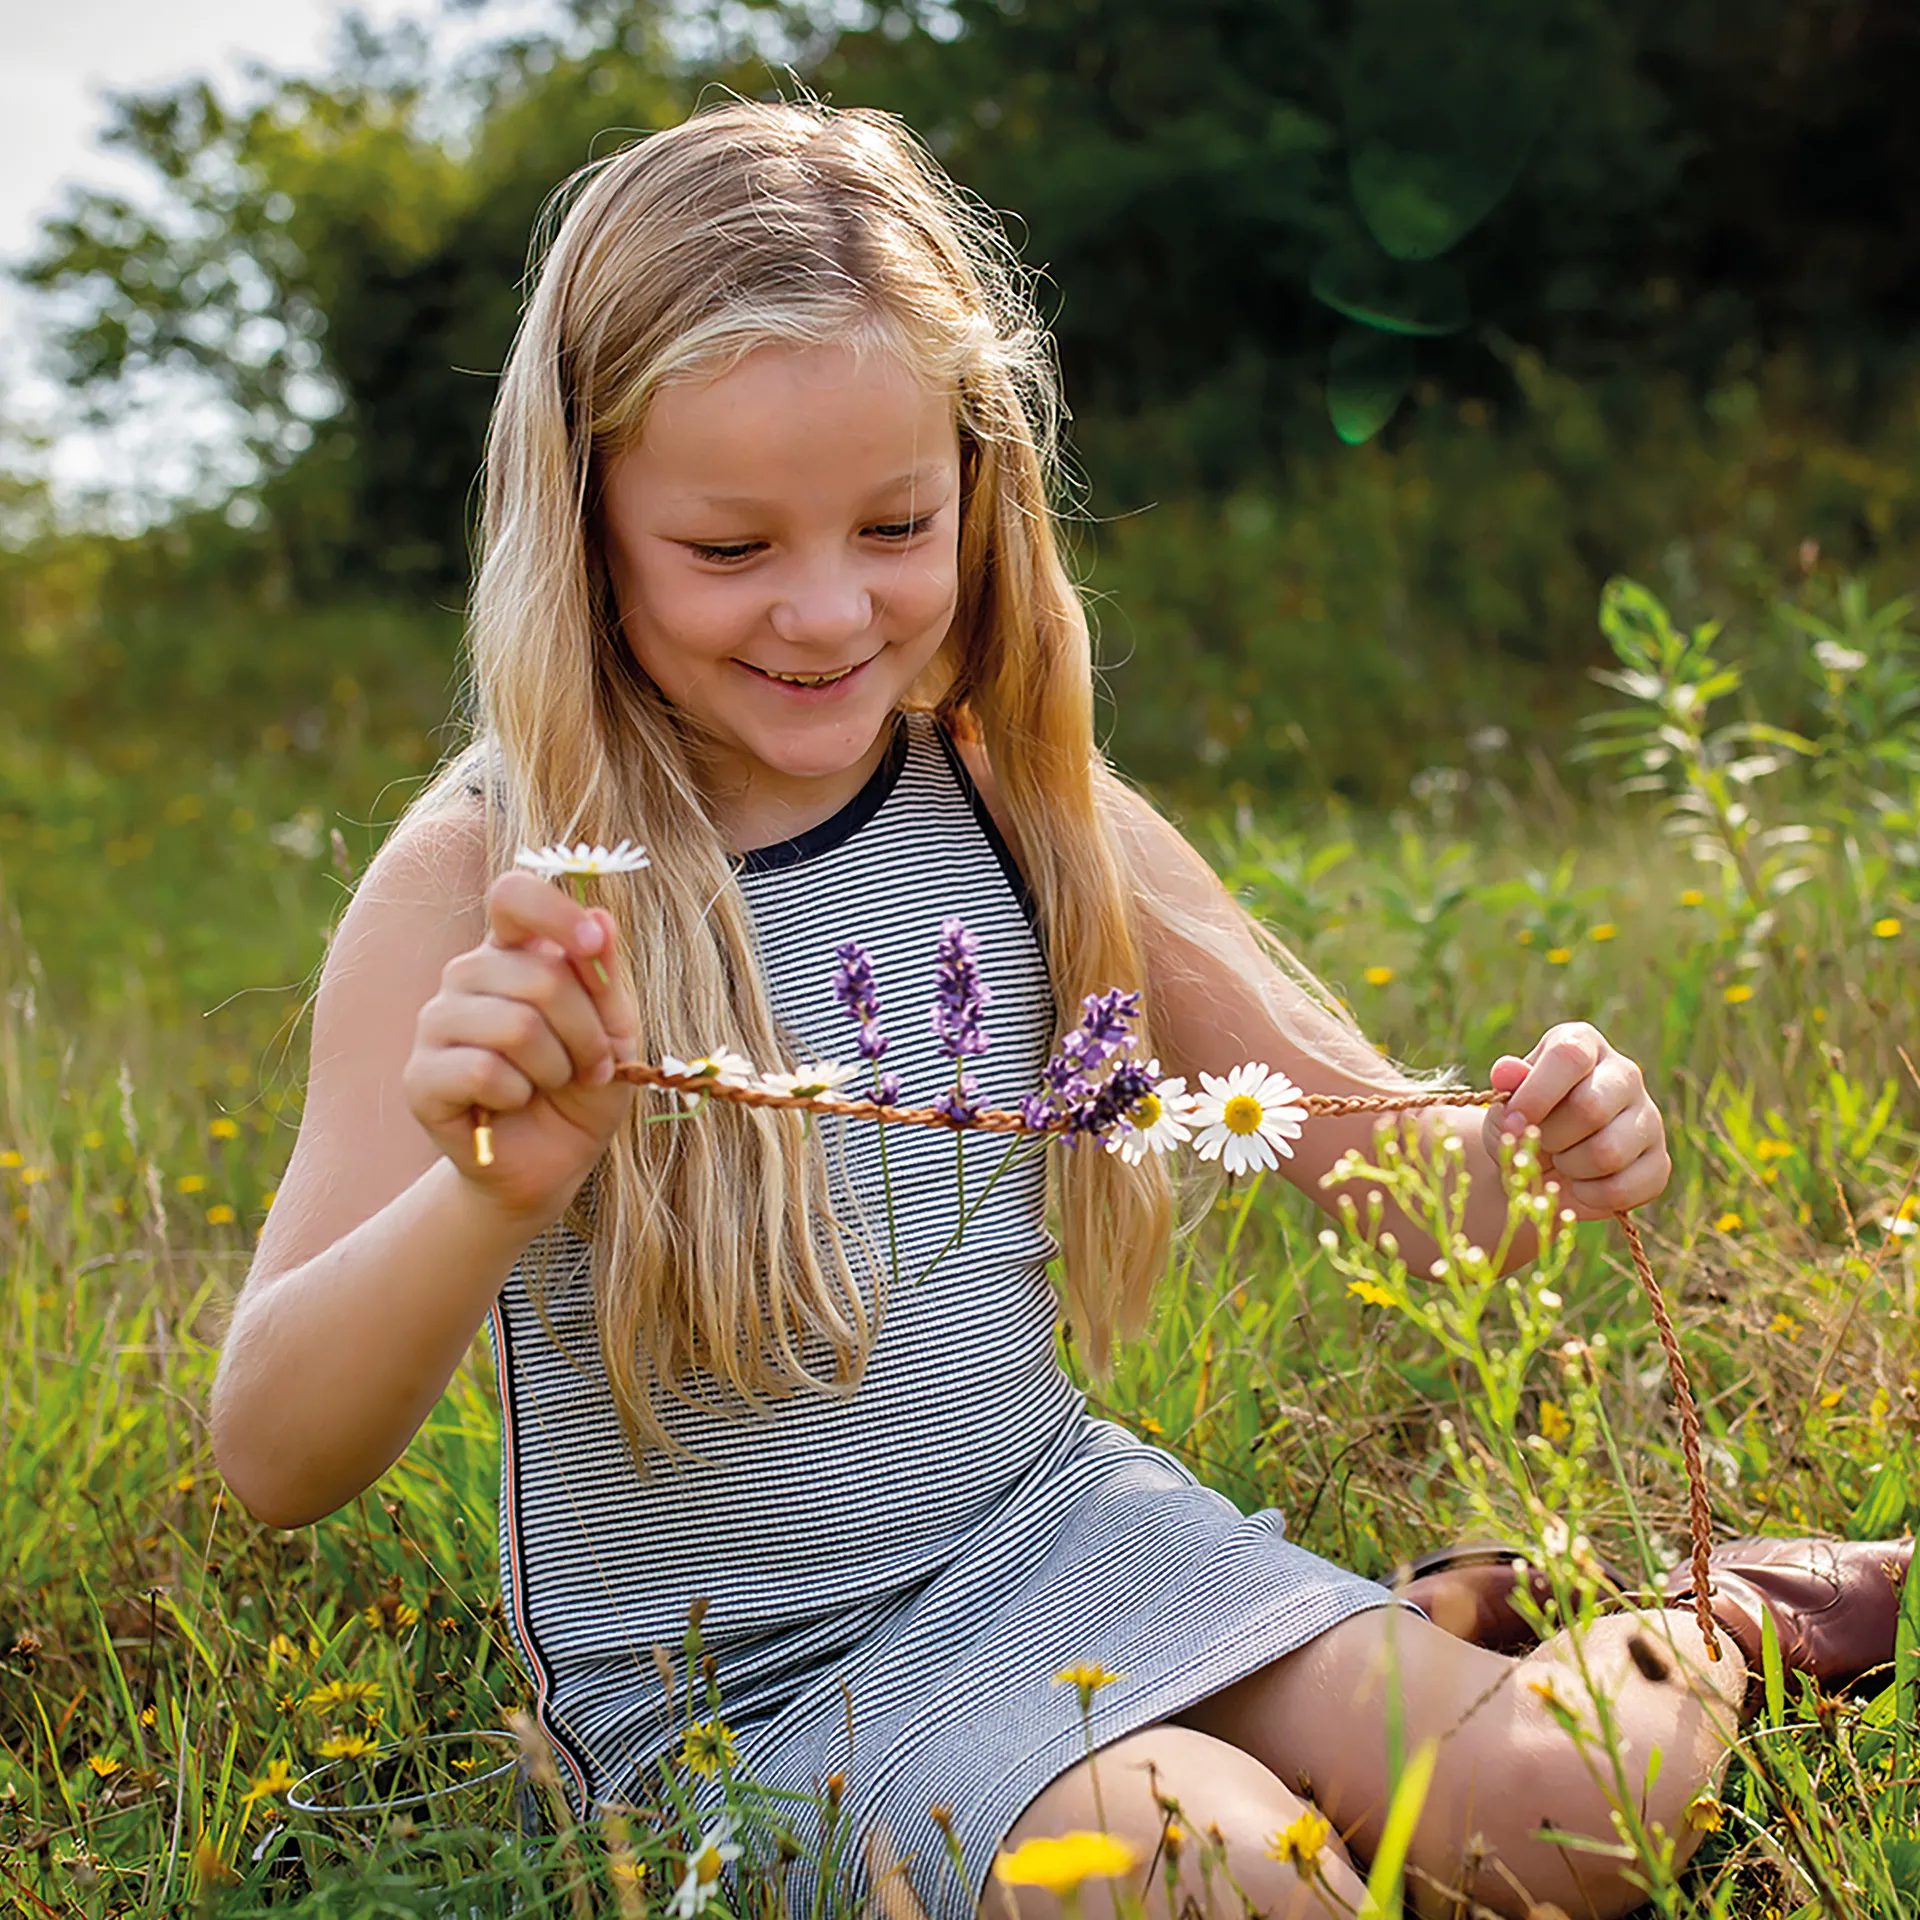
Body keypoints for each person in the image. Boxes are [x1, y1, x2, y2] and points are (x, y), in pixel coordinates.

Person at [208, 100, 1910, 1920]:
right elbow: (276, 1453)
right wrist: (491, 1193)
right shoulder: (489, 875)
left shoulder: (1021, 798)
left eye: (893, 523)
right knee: (1214, 1876)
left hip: (1069, 1539)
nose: (825, 607)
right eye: (727, 547)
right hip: (759, 1696)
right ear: (588, 514)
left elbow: (1400, 1181)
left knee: (1591, 1804)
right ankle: (1385, 1690)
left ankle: (1706, 1619)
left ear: (978, 485)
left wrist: (1551, 1138)